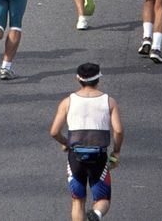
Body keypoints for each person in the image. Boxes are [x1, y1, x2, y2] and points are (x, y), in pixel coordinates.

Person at [49, 62, 123, 221]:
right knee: (102, 199)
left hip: (75, 157)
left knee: (77, 200)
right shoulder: (109, 101)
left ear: (78, 79)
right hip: (99, 157)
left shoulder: (67, 102)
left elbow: (54, 131)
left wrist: (66, 143)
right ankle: (96, 214)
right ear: (99, 79)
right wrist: (116, 151)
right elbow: (118, 130)